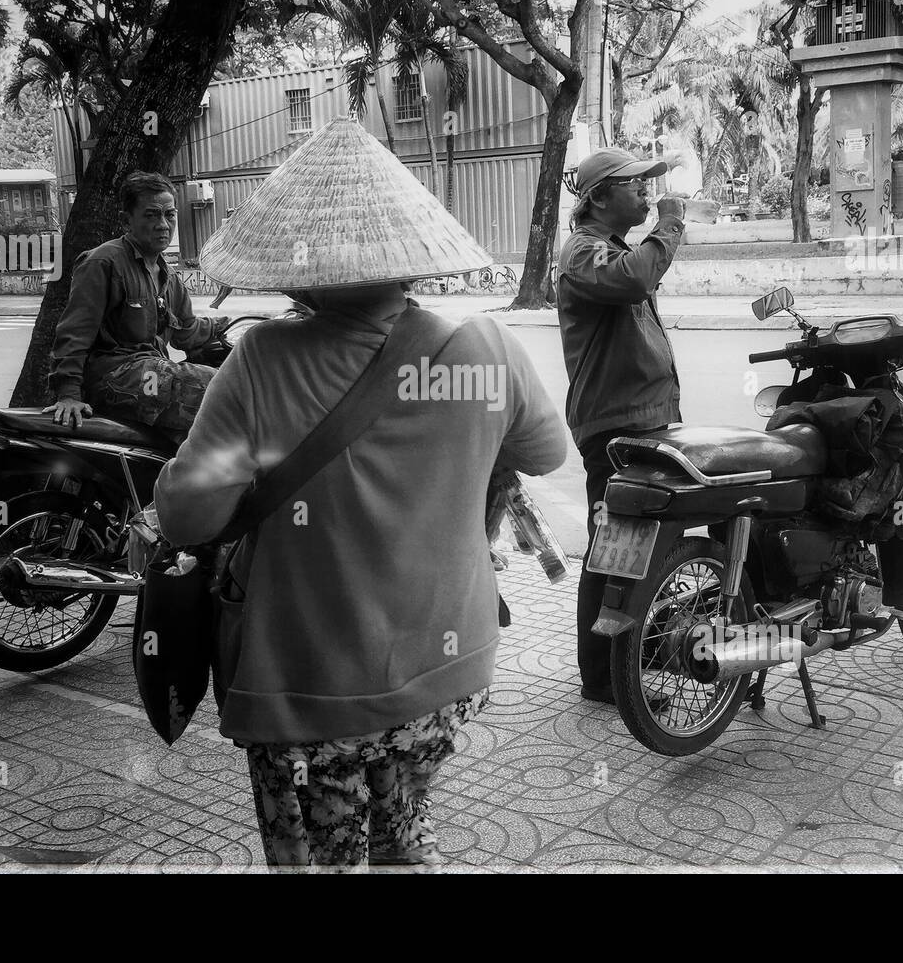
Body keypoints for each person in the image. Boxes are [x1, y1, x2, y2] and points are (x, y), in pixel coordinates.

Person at [154, 117, 568, 868]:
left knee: (322, 855)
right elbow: (546, 451)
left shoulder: (262, 361)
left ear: (298, 269)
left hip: (311, 689)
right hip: (446, 670)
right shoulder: (487, 347)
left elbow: (187, 518)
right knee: (403, 817)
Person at [555, 147, 688, 705]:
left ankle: (625, 657)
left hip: (639, 422)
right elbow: (635, 280)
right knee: (613, 547)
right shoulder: (584, 254)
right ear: (599, 197)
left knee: (632, 545)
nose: (644, 192)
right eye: (633, 185)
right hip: (615, 430)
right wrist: (671, 224)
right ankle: (604, 677)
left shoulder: (608, 248)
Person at [46, 171, 230, 437]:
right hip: (117, 376)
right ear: (126, 220)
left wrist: (224, 327)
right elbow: (74, 334)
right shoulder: (103, 263)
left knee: (231, 381)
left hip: (148, 372)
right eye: (151, 214)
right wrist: (68, 393)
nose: (163, 224)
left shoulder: (170, 277)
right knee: (210, 388)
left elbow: (185, 332)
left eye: (169, 214)